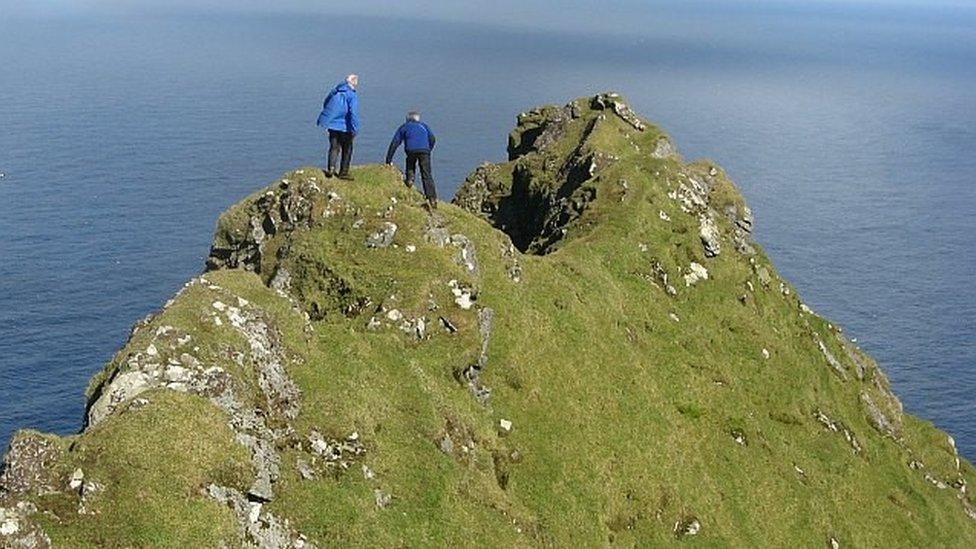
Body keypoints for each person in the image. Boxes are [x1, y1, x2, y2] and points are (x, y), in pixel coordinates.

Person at [385, 111, 437, 209]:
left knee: (410, 162)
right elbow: (433, 138)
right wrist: (429, 149)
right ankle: (432, 199)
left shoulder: (404, 127)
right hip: (424, 151)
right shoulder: (424, 126)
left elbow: (395, 143)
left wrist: (388, 159)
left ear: (408, 119)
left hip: (411, 150)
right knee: (427, 175)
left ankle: (410, 179)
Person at [316, 74, 360, 180]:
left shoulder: (335, 91)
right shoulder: (351, 95)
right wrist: (355, 128)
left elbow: (326, 103)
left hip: (332, 125)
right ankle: (343, 172)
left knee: (334, 147)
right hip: (345, 127)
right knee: (347, 149)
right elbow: (353, 113)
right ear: (353, 82)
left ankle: (331, 168)